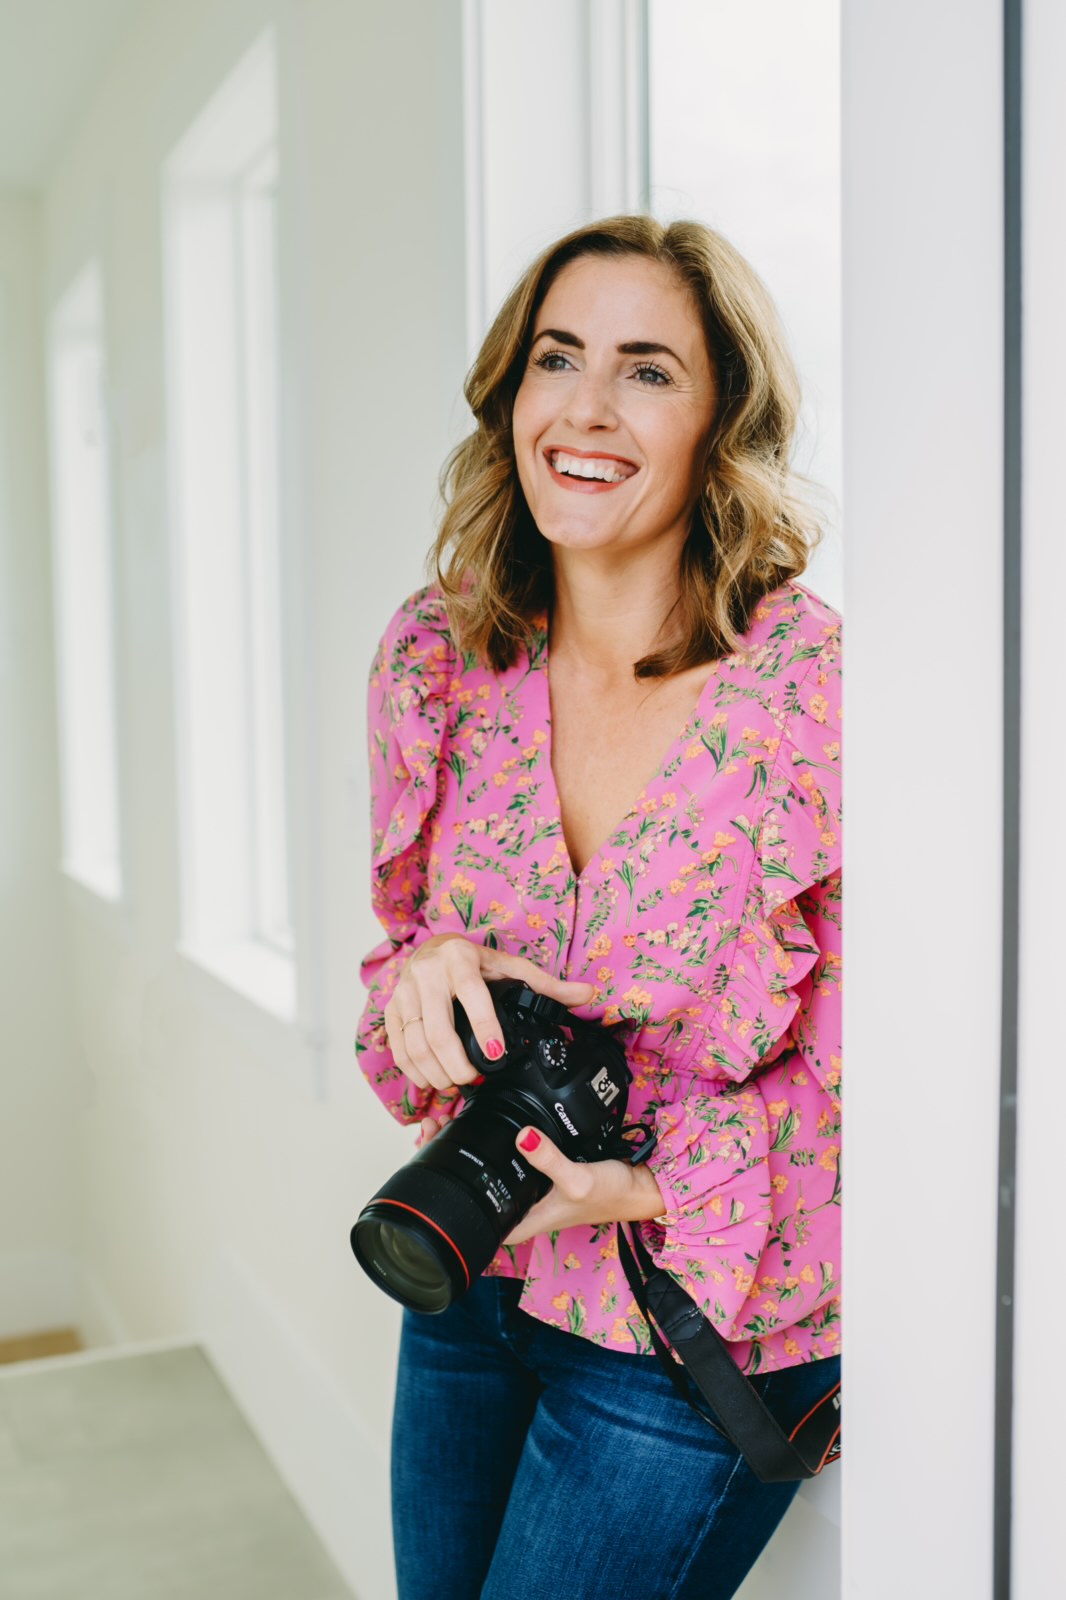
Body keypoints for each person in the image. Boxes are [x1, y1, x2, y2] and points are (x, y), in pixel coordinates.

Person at [355, 214, 842, 1600]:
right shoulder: (436, 658)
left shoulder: (812, 695)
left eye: (646, 370)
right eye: (556, 357)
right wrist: (426, 976)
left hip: (690, 1327)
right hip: (475, 1272)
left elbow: (879, 1077)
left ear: (718, 419)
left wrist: (645, 1184)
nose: (583, 406)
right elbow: (394, 967)